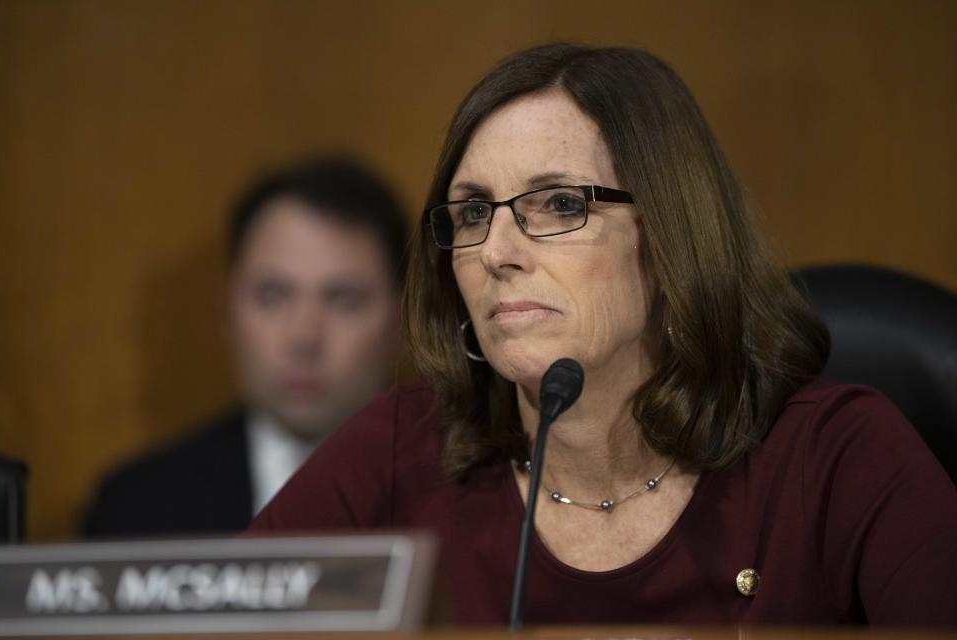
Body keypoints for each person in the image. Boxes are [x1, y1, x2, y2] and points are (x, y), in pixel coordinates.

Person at [248, 45, 957, 625]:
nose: (496, 251)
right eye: (470, 214)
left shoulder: (837, 457)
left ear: (668, 236)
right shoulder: (405, 447)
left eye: (558, 204)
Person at [83, 156, 407, 537]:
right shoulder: (136, 507)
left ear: (401, 320)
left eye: (343, 299)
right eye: (272, 296)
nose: (304, 338)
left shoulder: (466, 499)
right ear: (228, 311)